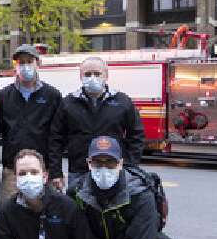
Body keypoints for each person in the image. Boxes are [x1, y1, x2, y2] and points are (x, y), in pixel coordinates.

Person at [49, 56, 145, 189]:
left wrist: (129, 166)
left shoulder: (123, 102)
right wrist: (56, 172)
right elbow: (55, 140)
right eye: (87, 74)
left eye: (97, 74)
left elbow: (136, 135)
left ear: (106, 75)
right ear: (81, 76)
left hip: (113, 171)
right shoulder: (68, 103)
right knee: (77, 209)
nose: (92, 77)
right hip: (79, 172)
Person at [0, 44, 62, 202]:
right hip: (12, 172)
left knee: (45, 216)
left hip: (42, 170)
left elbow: (56, 136)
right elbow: (0, 132)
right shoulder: (4, 95)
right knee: (9, 216)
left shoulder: (52, 95)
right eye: (21, 62)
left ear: (37, 63)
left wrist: (56, 172)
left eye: (29, 61)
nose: (25, 66)